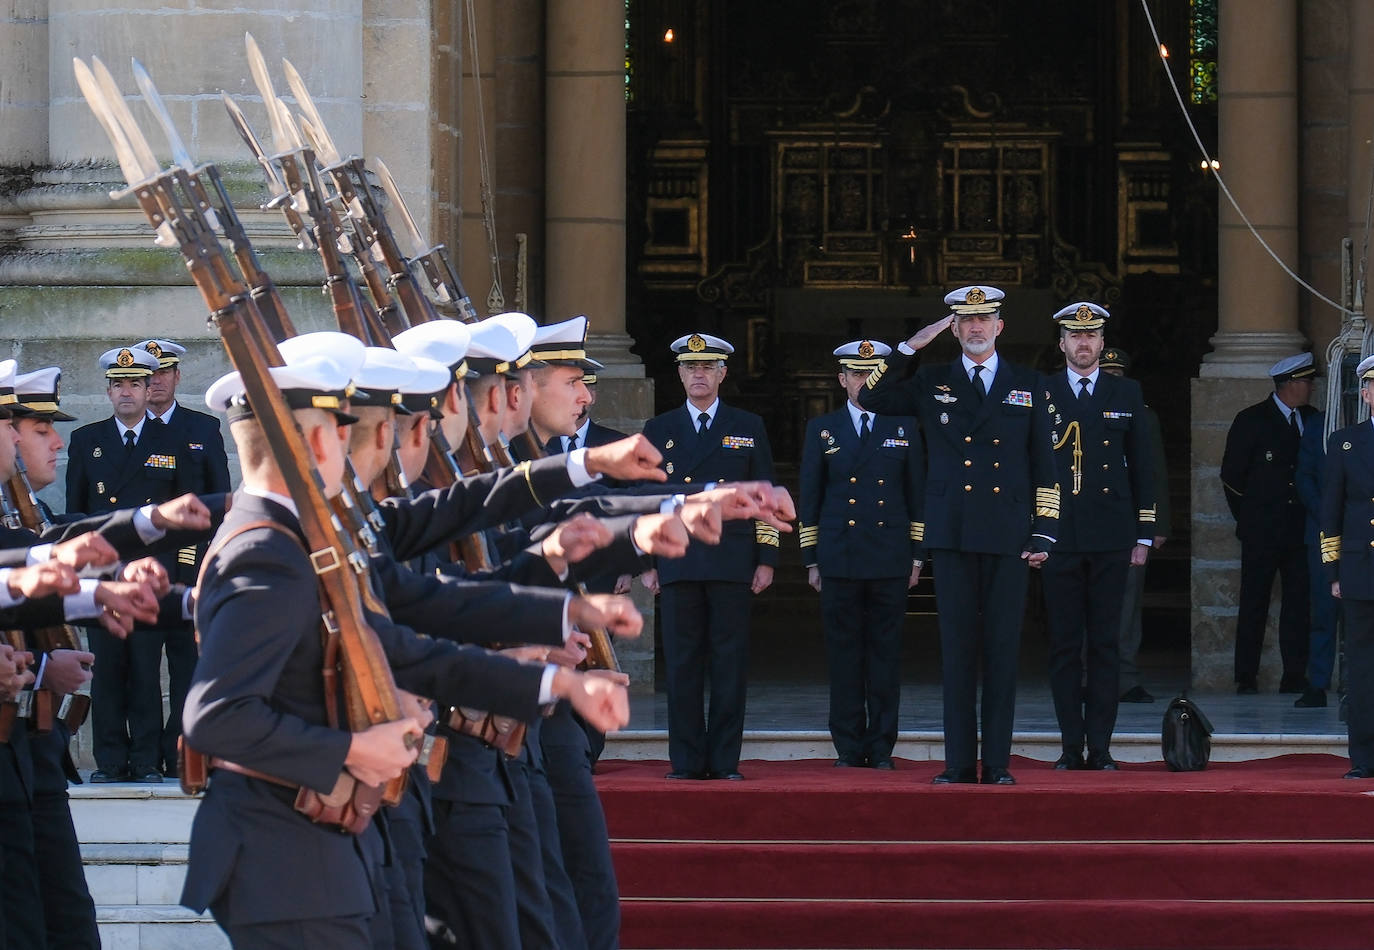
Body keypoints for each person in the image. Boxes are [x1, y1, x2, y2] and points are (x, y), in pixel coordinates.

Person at [180, 338, 633, 948]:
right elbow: (214, 718)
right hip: (283, 856)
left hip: (321, 845)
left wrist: (558, 669)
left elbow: (412, 629)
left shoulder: (308, 540)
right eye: (347, 429)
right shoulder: (266, 550)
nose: (370, 442)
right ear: (319, 442)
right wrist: (352, 748)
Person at [858, 286, 1057, 786]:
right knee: (958, 652)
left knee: (1002, 653)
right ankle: (958, 763)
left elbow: (1044, 463)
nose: (974, 328)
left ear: (999, 326)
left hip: (1009, 534)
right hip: (953, 532)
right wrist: (909, 348)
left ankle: (999, 765)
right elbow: (872, 397)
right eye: (964, 321)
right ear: (954, 328)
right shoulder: (932, 379)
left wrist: (1045, 531)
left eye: (983, 319)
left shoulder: (1028, 383)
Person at [641, 332, 778, 781]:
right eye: (690, 367)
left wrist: (766, 559)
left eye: (707, 368)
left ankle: (723, 761)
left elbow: (766, 499)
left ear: (722, 373)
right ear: (679, 374)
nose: (698, 375)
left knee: (729, 664)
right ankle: (685, 761)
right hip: (679, 560)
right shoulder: (659, 429)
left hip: (732, 561)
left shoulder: (747, 425)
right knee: (681, 665)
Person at [66, 348, 193, 783]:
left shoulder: (172, 442)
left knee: (143, 669)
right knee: (105, 671)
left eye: (135, 384)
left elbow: (186, 515)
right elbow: (75, 517)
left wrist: (176, 571)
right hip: (103, 576)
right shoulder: (87, 441)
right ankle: (109, 762)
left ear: (146, 389)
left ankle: (145, 761)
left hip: (150, 576)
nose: (126, 392)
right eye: (119, 385)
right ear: (108, 391)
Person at [1038, 304, 1155, 771]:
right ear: (1062, 343)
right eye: (1074, 336)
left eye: (1092, 336)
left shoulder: (1125, 390)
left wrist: (1145, 533)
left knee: (1105, 644)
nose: (1083, 344)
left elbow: (1144, 466)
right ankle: (1070, 746)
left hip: (1112, 535)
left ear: (1102, 343)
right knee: (1065, 645)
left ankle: (1101, 747)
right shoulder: (1040, 391)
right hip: (1059, 536)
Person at [799, 339, 920, 770]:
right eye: (855, 373)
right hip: (840, 557)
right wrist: (811, 558)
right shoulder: (823, 429)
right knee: (845, 655)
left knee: (885, 656)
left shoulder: (904, 426)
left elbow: (915, 493)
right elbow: (809, 496)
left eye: (872, 374)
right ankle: (849, 746)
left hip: (889, 556)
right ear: (842, 379)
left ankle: (882, 745)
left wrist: (917, 555)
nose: (863, 381)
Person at [136, 338, 232, 775]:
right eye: (146, 376)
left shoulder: (201, 429)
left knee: (187, 664)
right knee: (137, 668)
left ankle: (180, 753)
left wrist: (210, 560)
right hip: (137, 566)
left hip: (190, 563)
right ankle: (141, 758)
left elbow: (220, 501)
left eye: (162, 373)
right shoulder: (121, 432)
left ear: (176, 377)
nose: (155, 381)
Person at [1220, 352, 1317, 694]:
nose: (1310, 388)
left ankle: (1294, 675)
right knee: (1254, 603)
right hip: (1262, 529)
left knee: (1298, 606)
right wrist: (1248, 518)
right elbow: (1231, 476)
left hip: (1299, 528)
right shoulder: (1252, 420)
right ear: (1289, 385)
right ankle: (1245, 676)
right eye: (1306, 382)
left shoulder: (1312, 418)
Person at [1099, 348, 1171, 704]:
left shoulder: (1144, 416)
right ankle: (1088, 677)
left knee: (1127, 605)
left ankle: (1125, 678)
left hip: (1129, 523)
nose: (1112, 379)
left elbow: (1154, 472)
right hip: (1087, 522)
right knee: (1084, 604)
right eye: (1105, 372)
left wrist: (1156, 524)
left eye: (1117, 373)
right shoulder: (1071, 407)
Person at [1319, 354, 1374, 779]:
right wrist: (1334, 572)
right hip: (1360, 569)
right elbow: (1330, 511)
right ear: (1366, 394)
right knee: (1362, 668)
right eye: (1373, 386)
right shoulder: (1345, 442)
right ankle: (1365, 757)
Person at [1296, 407, 1339, 708]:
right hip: (1325, 533)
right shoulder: (1318, 424)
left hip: (1366, 532)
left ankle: (1359, 685)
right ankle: (1318, 683)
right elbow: (1305, 475)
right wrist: (1327, 515)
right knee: (1323, 611)